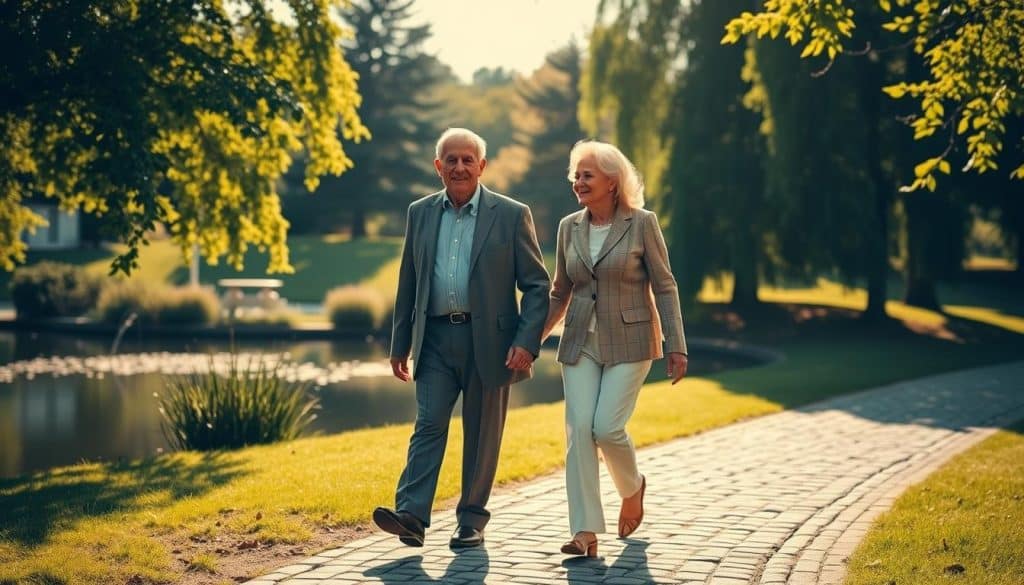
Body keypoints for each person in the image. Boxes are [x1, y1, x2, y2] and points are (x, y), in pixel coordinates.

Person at [373, 128, 550, 549]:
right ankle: (411, 515)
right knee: (428, 422)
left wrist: (526, 342)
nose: (459, 167)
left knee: (482, 433)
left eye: (468, 159)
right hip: (434, 338)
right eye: (451, 159)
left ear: (482, 166)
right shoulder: (419, 212)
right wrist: (400, 344)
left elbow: (537, 285)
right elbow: (409, 280)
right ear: (438, 166)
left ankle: (471, 520)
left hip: (491, 343)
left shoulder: (511, 215)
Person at [542, 140, 688, 557]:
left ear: (612, 181)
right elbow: (560, 291)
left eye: (587, 175)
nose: (578, 182)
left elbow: (664, 286)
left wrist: (677, 345)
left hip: (632, 340)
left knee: (606, 428)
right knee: (579, 431)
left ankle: (632, 487)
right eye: (576, 175)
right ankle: (584, 531)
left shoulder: (642, 223)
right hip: (579, 341)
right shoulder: (568, 227)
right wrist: (529, 339)